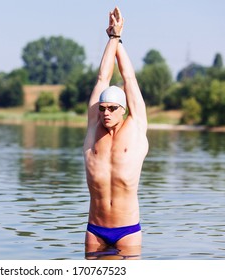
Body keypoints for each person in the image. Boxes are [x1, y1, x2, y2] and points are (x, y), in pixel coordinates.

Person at [83, 6, 148, 258]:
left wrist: (119, 38)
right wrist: (112, 38)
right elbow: (102, 77)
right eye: (102, 108)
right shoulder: (93, 130)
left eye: (112, 108)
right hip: (95, 230)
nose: (105, 113)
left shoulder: (136, 127)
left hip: (127, 231)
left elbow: (129, 79)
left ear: (123, 109)